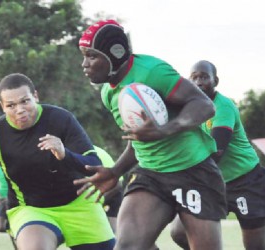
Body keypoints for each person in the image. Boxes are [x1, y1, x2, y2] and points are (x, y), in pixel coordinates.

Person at [74, 19, 227, 250]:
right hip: (151, 176)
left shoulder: (152, 72)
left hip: (193, 171)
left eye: (92, 56)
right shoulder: (108, 93)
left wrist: (165, 130)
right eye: (84, 55)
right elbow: (138, 141)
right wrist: (115, 171)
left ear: (114, 55)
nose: (84, 64)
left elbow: (204, 106)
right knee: (127, 246)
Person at [0, 73, 115, 250]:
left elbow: (93, 164)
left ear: (35, 96)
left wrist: (65, 154)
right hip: (32, 210)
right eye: (11, 105)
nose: (20, 110)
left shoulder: (61, 119)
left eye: (25, 101)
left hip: (79, 204)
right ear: (2, 106)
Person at [169, 60, 265, 250]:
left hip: (245, 181)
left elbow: (216, 151)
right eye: (194, 78)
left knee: (257, 247)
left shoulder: (223, 106)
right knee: (179, 232)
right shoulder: (187, 108)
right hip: (211, 180)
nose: (199, 82)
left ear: (215, 80)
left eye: (204, 77)